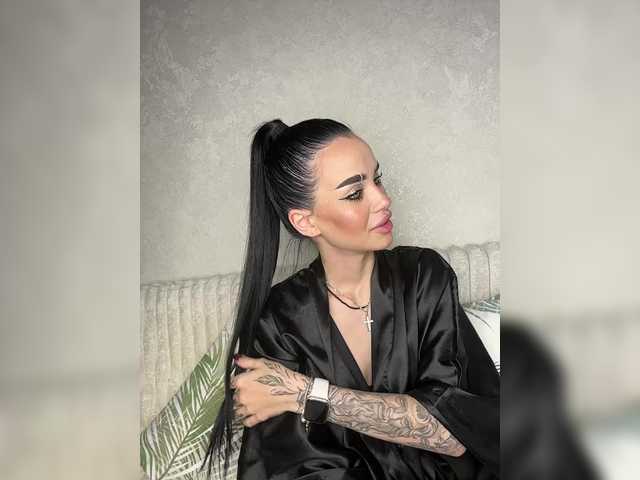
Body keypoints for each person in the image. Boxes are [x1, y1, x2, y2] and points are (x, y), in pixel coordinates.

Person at [200, 118, 500, 480]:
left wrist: (308, 394)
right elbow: (297, 470)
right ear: (306, 222)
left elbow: (455, 433)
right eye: (355, 193)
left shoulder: (423, 276)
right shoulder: (280, 319)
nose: (383, 199)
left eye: (377, 179)